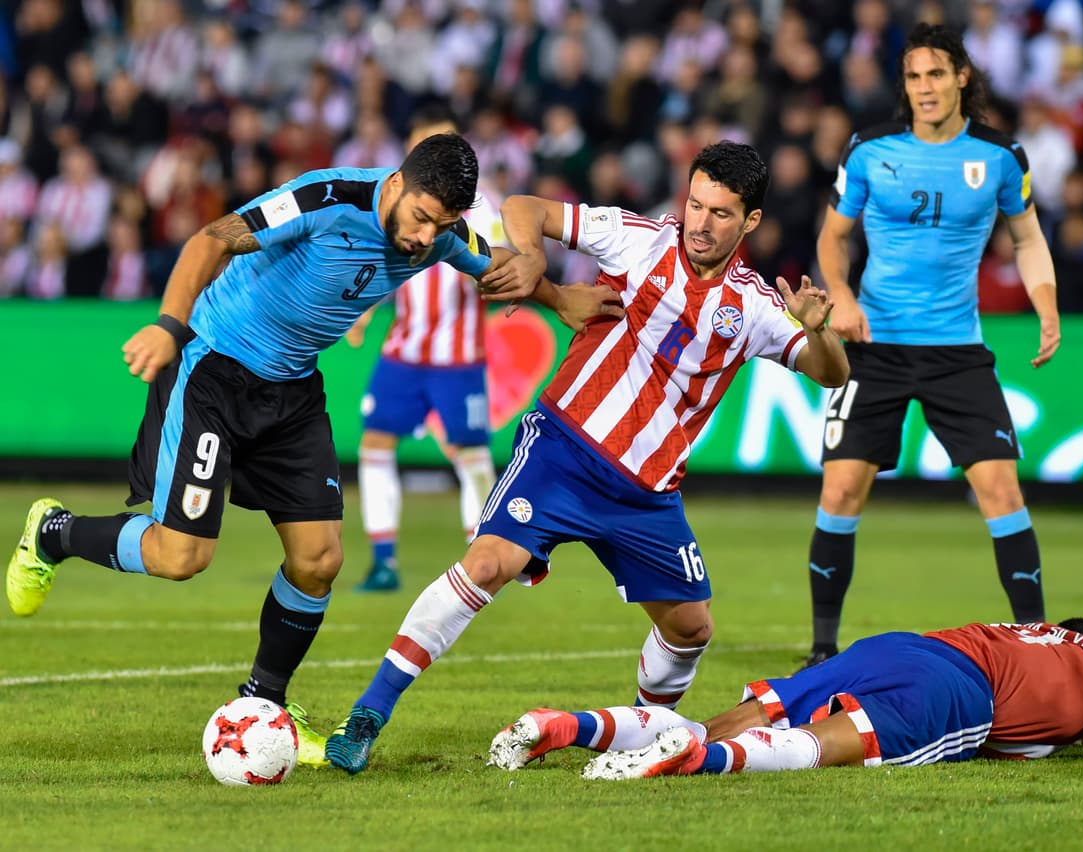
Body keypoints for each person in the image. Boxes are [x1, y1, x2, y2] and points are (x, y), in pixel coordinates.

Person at [5, 134, 612, 767]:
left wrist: (561, 297)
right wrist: (168, 327)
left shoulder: (442, 236)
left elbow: (498, 266)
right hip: (215, 369)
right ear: (398, 184)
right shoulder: (327, 198)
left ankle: (266, 702)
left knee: (319, 560)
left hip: (292, 392)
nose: (426, 238)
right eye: (422, 218)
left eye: (443, 226)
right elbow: (210, 240)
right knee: (180, 555)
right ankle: (55, 533)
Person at [323, 141, 851, 774]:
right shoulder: (639, 239)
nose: (701, 224)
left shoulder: (758, 307)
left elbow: (830, 373)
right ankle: (368, 714)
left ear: (752, 221)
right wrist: (531, 260)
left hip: (647, 493)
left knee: (690, 628)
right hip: (562, 451)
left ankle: (643, 736)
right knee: (487, 563)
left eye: (720, 213)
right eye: (695, 204)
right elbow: (525, 206)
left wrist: (816, 329)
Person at [802, 24, 1062, 668]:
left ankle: (1042, 649)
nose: (925, 88)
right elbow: (832, 239)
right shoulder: (868, 151)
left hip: (957, 351)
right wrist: (842, 296)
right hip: (875, 346)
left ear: (962, 78)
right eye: (914, 77)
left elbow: (1027, 239)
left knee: (1002, 492)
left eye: (937, 74)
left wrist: (1047, 306)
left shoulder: (1001, 157)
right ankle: (822, 649)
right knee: (839, 494)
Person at [487, 618, 1083, 779]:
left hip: (908, 645)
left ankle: (574, 725)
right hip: (961, 694)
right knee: (837, 745)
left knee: (748, 712)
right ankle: (696, 764)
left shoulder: (1019, 632)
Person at [345, 108, 508, 593]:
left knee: (470, 452)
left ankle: (487, 559)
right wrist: (365, 310)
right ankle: (383, 563)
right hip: (404, 350)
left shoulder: (483, 206)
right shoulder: (399, 194)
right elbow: (380, 255)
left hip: (457, 357)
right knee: (375, 444)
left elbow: (499, 263)